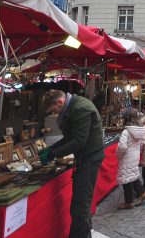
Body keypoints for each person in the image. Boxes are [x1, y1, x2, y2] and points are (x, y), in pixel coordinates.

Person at [39, 89, 104, 238]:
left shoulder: (80, 108)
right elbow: (71, 137)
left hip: (89, 158)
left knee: (80, 205)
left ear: (60, 102)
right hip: (86, 158)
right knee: (80, 204)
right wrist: (52, 148)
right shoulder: (74, 107)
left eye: (54, 110)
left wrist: (53, 153)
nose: (54, 114)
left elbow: (78, 141)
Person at [115, 108, 145, 209]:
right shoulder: (140, 129)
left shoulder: (126, 131)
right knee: (132, 174)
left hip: (127, 156)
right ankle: (142, 192)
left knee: (126, 178)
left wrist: (118, 154)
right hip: (135, 155)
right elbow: (143, 141)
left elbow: (122, 146)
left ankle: (128, 202)